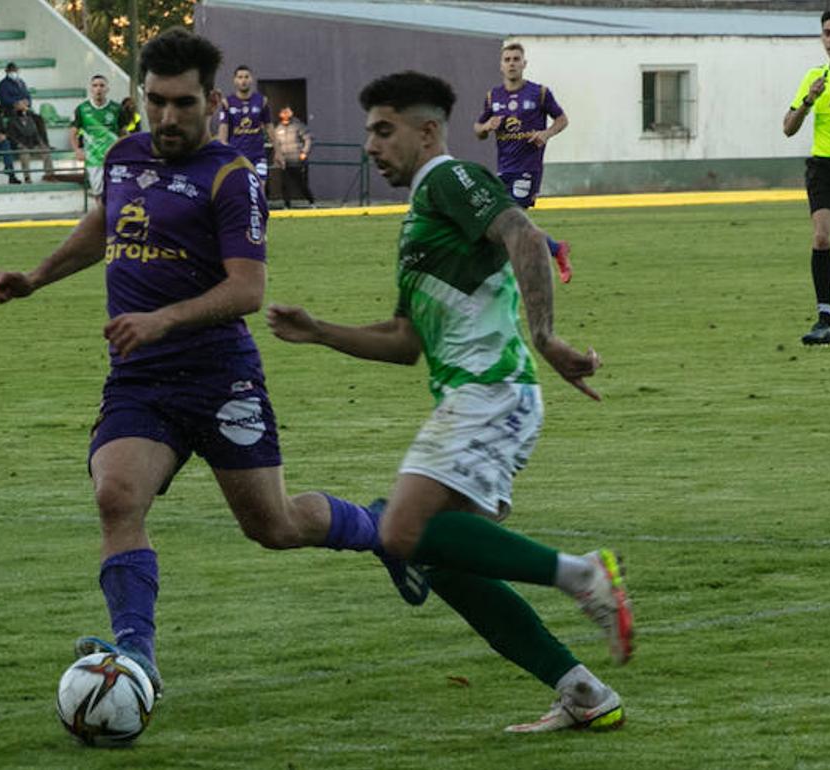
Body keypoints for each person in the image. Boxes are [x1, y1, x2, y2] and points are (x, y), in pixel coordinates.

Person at [0, 29, 430, 700]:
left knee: (273, 526)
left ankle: (382, 531)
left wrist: (162, 319)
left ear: (212, 101)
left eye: (183, 104)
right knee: (116, 497)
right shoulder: (126, 155)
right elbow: (105, 224)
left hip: (221, 377)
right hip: (140, 378)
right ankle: (136, 656)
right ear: (143, 96)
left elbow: (246, 289)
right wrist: (36, 276)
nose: (168, 118)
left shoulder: (231, 178)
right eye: (157, 102)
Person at [266, 71, 633, 733]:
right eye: (370, 131)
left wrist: (546, 336)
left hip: (489, 393)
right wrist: (319, 331)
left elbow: (523, 235)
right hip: (478, 397)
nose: (373, 145)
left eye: (384, 130)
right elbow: (403, 340)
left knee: (398, 532)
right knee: (436, 553)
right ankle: (581, 690)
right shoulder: (420, 220)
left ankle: (583, 576)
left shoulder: (446, 178)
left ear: (427, 130)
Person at [473, 42, 573, 284]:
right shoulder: (493, 96)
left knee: (511, 220)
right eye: (507, 60)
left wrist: (545, 134)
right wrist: (487, 126)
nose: (511, 64)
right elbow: (477, 129)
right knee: (510, 223)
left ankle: (506, 274)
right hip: (503, 170)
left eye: (516, 59)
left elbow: (562, 119)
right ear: (501, 66)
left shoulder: (539, 93)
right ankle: (555, 249)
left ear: (524, 64)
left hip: (527, 169)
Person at [784, 9, 830, 346]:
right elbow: (787, 128)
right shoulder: (814, 77)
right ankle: (824, 321)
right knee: (821, 238)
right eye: (827, 33)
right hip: (824, 169)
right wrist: (809, 100)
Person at [216, 64, 277, 181]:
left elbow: (269, 127)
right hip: (236, 156)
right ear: (235, 80)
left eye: (246, 77)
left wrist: (278, 151)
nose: (243, 80)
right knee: (240, 189)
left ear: (251, 79)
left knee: (260, 187)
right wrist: (221, 153)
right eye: (240, 77)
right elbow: (223, 130)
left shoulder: (262, 101)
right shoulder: (227, 103)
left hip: (257, 156)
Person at [69, 74, 121, 201]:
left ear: (107, 89)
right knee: (98, 195)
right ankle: (101, 218)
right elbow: (73, 133)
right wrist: (77, 150)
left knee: (115, 192)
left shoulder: (116, 108)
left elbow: (123, 132)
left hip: (113, 157)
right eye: (95, 86)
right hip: (94, 158)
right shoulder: (82, 109)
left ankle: (110, 219)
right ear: (91, 89)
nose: (98, 89)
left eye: (102, 85)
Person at [272, 106, 315, 208]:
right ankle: (287, 205)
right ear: (280, 114)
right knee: (284, 184)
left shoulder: (298, 126)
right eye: (283, 112)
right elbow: (276, 144)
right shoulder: (278, 129)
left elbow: (308, 139)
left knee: (300, 183)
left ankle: (312, 202)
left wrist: (304, 152)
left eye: (287, 112)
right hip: (284, 161)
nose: (285, 114)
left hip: (296, 160)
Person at [6, 98, 54, 183]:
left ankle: (50, 175)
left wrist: (41, 143)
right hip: (21, 145)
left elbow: (36, 133)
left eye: (25, 105)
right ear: (16, 107)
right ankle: (27, 177)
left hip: (32, 144)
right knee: (24, 155)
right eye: (21, 105)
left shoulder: (31, 118)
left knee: (46, 151)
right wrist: (18, 144)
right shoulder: (11, 120)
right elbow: (11, 136)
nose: (24, 107)